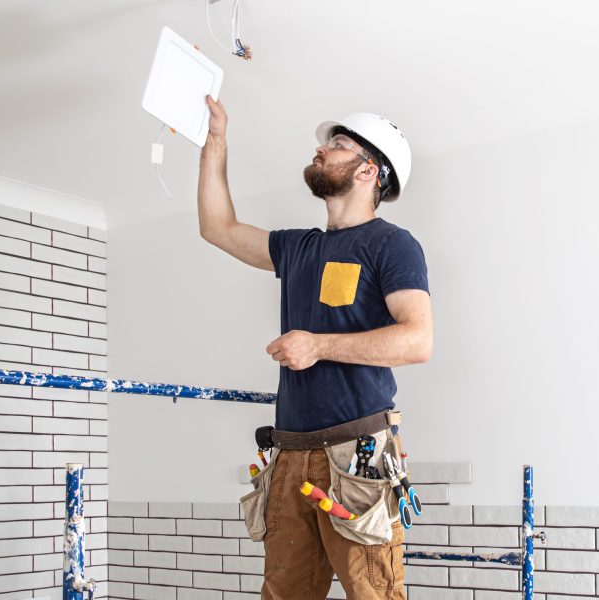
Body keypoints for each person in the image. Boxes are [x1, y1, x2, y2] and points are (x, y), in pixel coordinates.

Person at [198, 95, 432, 599]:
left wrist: (318, 345)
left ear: (369, 170)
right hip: (290, 455)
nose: (322, 149)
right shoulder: (297, 247)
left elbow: (417, 340)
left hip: (356, 459)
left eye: (338, 144)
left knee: (374, 592)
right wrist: (215, 140)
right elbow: (217, 228)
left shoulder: (392, 245)